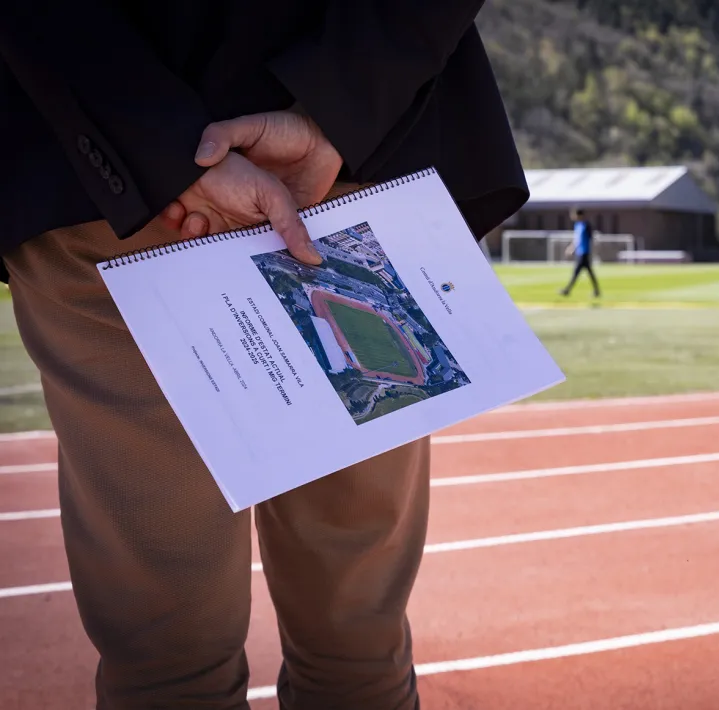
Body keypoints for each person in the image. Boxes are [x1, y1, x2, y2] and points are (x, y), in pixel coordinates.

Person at [1, 3, 527, 708]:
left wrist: (160, 147)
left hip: (102, 177)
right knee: (355, 645)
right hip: (348, 170)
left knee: (167, 659)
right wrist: (337, 108)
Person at [559, 208, 601, 298]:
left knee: (577, 272)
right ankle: (596, 291)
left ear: (580, 215)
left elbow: (590, 239)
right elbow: (576, 239)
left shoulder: (586, 225)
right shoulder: (577, 225)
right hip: (579, 252)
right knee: (587, 272)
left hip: (584, 252)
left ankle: (567, 290)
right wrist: (571, 248)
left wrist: (592, 251)